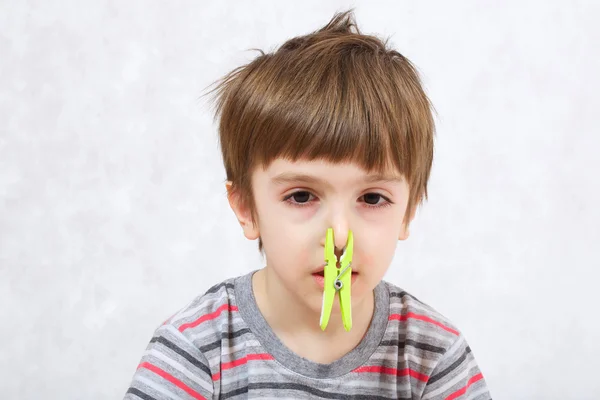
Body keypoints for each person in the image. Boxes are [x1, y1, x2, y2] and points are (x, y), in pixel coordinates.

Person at [125, 9, 491, 400]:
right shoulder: (195, 351)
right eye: (301, 196)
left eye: (371, 198)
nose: (340, 236)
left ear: (409, 211)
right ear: (247, 207)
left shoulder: (432, 356)